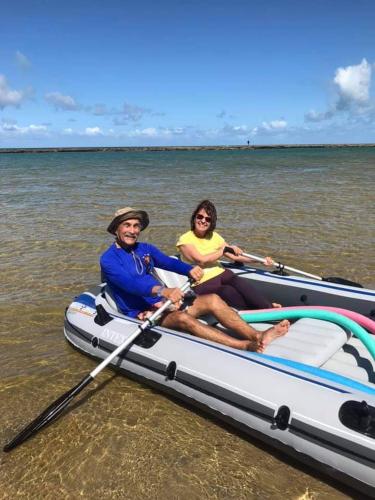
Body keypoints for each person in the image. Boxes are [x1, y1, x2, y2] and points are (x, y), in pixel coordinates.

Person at [100, 207, 289, 352]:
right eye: (127, 225)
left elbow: (167, 262)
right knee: (182, 318)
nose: (132, 231)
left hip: (164, 303)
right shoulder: (108, 259)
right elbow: (131, 284)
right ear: (116, 229)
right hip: (142, 313)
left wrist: (189, 269)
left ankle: (257, 335)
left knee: (213, 299)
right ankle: (243, 346)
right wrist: (163, 291)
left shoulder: (145, 248)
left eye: (136, 226)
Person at [176, 199, 281, 310]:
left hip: (221, 273)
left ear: (212, 222)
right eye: (200, 217)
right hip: (200, 282)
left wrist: (260, 260)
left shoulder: (214, 236)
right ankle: (252, 312)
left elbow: (234, 256)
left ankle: (267, 307)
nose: (203, 221)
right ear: (194, 217)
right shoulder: (185, 239)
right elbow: (201, 260)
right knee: (226, 290)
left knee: (237, 281)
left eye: (208, 219)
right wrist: (224, 250)